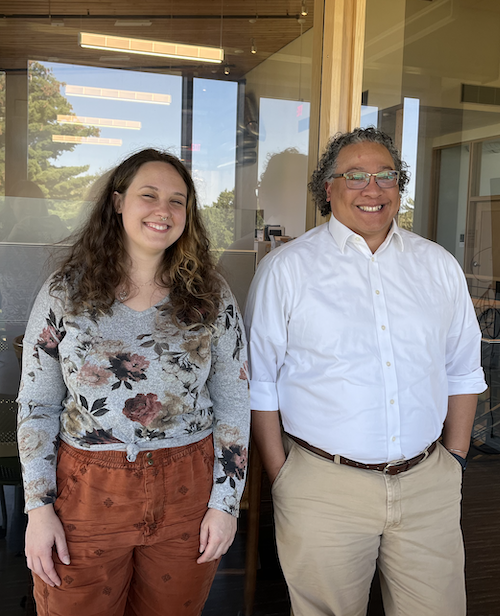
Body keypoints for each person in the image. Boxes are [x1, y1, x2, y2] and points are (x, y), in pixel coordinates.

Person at [244, 127, 487, 616]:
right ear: (327, 189)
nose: (371, 189)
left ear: (400, 187)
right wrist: (281, 474)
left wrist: (454, 461)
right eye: (354, 175)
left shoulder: (438, 266)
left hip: (428, 484)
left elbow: (463, 369)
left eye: (386, 176)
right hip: (323, 488)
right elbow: (259, 382)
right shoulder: (287, 269)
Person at [17, 149, 250, 616]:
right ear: (119, 202)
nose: (163, 210)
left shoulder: (210, 295)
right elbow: (37, 404)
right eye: (149, 195)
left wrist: (226, 504)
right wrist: (38, 509)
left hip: (188, 486)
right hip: (86, 490)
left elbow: (234, 401)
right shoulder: (66, 292)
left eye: (177, 201)